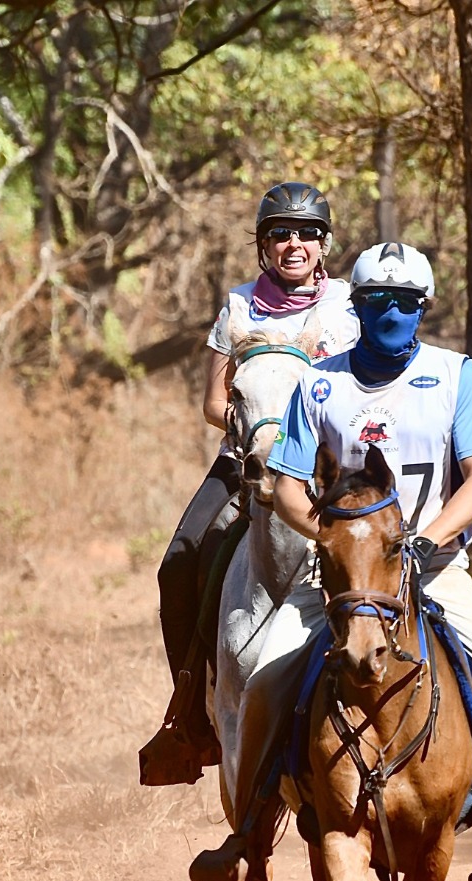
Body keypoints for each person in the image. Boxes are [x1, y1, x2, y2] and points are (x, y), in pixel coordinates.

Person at [196, 241, 472, 881]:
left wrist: (428, 539)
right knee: (261, 686)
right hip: (341, 580)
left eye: (403, 302)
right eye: (375, 301)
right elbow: (284, 486)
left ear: (423, 307)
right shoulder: (320, 381)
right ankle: (248, 841)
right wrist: (336, 543)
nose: (390, 312)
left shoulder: (456, 373)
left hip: (436, 569)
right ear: (355, 306)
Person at [144, 182, 358, 781]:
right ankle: (191, 716)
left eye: (306, 234)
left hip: (326, 459)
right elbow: (213, 402)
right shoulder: (237, 307)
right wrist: (253, 426)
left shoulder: (345, 306)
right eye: (280, 234)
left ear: (324, 242)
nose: (294, 244)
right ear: (263, 245)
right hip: (246, 454)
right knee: (177, 564)